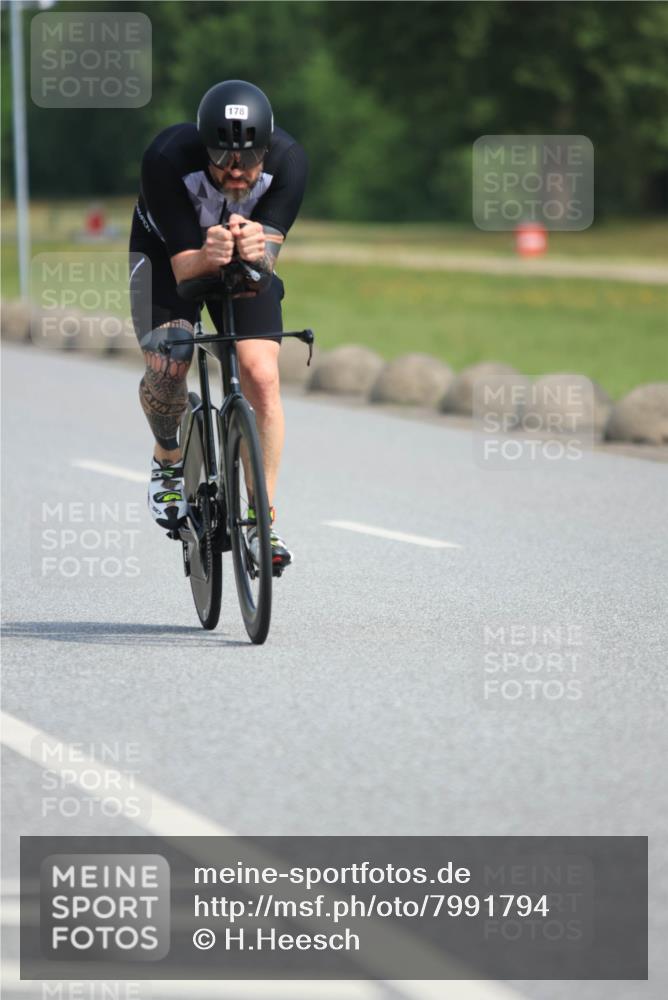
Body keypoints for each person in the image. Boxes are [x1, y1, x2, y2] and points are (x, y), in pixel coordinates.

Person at [129, 79, 308, 571]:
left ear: (267, 149)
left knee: (262, 376)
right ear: (202, 146)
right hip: (170, 255)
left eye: (247, 159)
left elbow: (267, 261)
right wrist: (208, 253)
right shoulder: (166, 157)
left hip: (240, 259)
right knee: (170, 363)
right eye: (222, 157)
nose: (235, 170)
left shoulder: (290, 163)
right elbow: (186, 269)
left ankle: (262, 520)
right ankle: (168, 457)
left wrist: (258, 251)